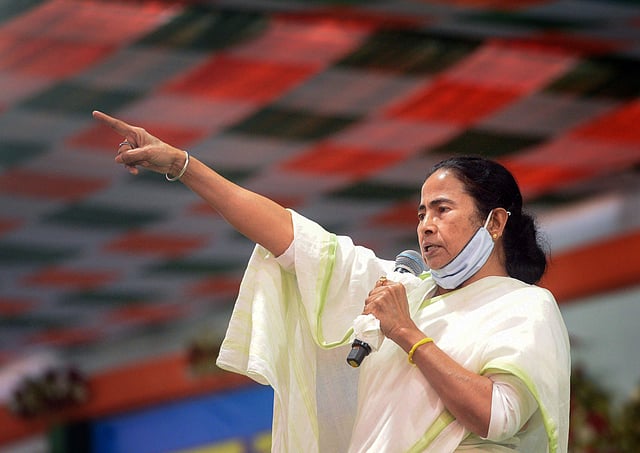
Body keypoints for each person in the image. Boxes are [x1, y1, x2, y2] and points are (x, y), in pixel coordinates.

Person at [93, 110, 571, 452]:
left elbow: (497, 416)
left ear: (495, 222)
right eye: (421, 213)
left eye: (442, 210)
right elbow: (290, 236)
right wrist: (183, 165)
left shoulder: (525, 307)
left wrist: (406, 333)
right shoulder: (402, 292)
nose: (425, 226)